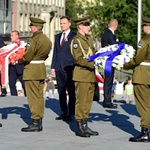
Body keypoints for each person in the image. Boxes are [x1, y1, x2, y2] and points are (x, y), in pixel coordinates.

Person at [18, 17, 52, 132]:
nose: (30, 28)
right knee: (39, 97)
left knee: (32, 97)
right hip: (41, 69)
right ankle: (39, 121)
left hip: (32, 70)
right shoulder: (46, 40)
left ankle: (35, 121)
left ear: (34, 27)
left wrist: (19, 60)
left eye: (31, 26)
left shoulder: (32, 40)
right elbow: (46, 55)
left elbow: (27, 56)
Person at [70, 16, 98, 137]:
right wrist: (93, 64)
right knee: (81, 101)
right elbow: (79, 59)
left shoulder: (89, 39)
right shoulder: (76, 41)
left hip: (90, 75)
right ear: (80, 26)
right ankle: (80, 127)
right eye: (86, 24)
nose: (89, 27)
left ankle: (85, 124)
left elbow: (94, 53)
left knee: (87, 102)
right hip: (81, 75)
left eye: (88, 24)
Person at [123, 16, 150, 142]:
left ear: (147, 27)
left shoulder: (144, 42)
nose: (144, 28)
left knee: (143, 105)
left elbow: (137, 59)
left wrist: (125, 65)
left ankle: (145, 132)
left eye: (144, 26)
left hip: (142, 76)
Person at [51, 16, 76, 121]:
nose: (62, 25)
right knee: (61, 91)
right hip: (59, 68)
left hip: (69, 68)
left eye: (64, 23)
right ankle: (63, 112)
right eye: (61, 23)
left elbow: (75, 53)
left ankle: (71, 113)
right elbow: (55, 53)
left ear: (69, 24)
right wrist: (53, 67)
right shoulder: (57, 37)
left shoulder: (74, 36)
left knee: (71, 91)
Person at [101, 19, 119, 108]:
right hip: (109, 61)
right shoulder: (109, 34)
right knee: (108, 81)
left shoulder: (106, 33)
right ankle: (107, 101)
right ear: (116, 26)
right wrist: (118, 42)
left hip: (107, 60)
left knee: (108, 81)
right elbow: (115, 46)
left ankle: (107, 100)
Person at [9, 30, 26, 96]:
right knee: (11, 84)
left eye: (12, 35)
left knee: (24, 84)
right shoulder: (10, 46)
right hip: (12, 67)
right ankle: (14, 97)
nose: (11, 37)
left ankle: (27, 97)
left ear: (17, 36)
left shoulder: (23, 44)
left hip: (20, 66)